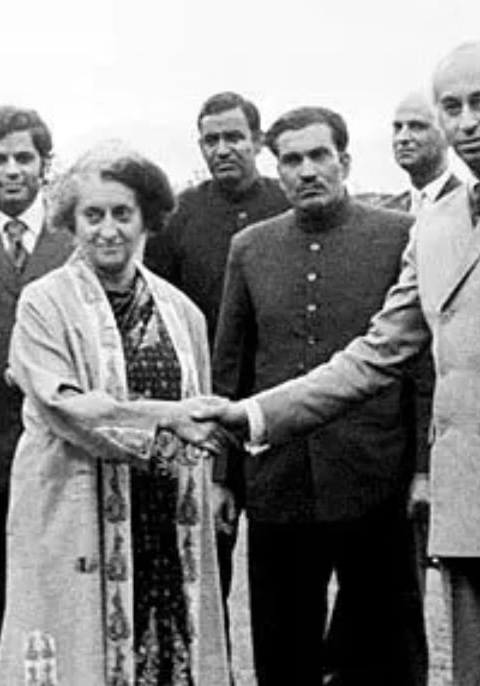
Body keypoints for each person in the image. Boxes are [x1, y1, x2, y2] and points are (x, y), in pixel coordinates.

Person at [196, 41, 480, 686]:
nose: (465, 121)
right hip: (462, 515)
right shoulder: (434, 223)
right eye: (451, 107)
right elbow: (375, 352)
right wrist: (251, 414)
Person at [213, 106, 430, 686]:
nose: (307, 170)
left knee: (386, 647)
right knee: (284, 647)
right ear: (275, 169)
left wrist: (425, 471)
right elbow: (230, 371)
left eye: (319, 156)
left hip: (375, 477)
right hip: (278, 480)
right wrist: (221, 478)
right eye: (292, 159)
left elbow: (421, 365)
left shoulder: (399, 236)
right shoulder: (251, 248)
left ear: (345, 161)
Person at [0, 143, 230, 684]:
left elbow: (202, 412)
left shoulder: (182, 312)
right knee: (80, 653)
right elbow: (65, 405)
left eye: (122, 214)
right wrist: (164, 417)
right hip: (72, 506)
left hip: (166, 517)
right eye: (93, 215)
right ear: (71, 223)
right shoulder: (43, 303)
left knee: (170, 648)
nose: (108, 230)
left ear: (147, 218)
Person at [143, 91, 290, 661]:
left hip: (280, 409)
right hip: (205, 412)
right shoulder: (177, 219)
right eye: (211, 139)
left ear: (257, 141)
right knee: (206, 559)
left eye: (235, 137)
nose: (223, 148)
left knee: (283, 572)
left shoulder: (287, 201)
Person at [0, 106, 74, 673]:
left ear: (43, 166)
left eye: (23, 158)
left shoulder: (73, 236)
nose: (11, 170)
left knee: (64, 576)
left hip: (59, 445)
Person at [384, 92, 462, 215]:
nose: (402, 138)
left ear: (447, 135)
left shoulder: (471, 206)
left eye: (416, 127)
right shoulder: (386, 213)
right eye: (398, 127)